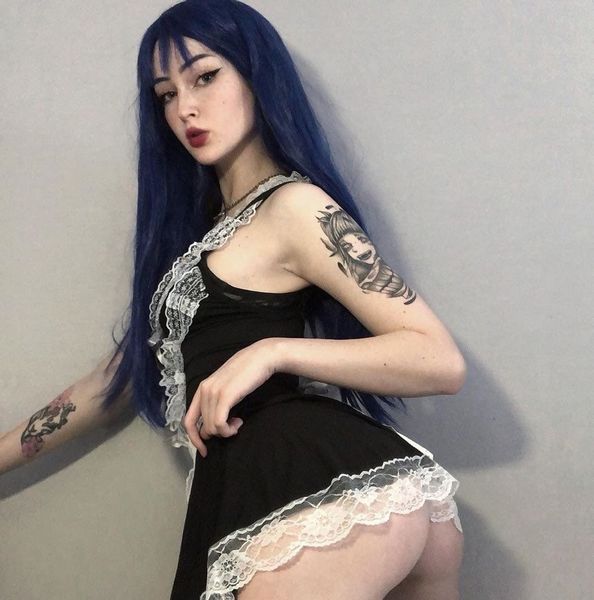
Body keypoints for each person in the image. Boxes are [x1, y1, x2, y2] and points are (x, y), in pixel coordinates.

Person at [0, 1, 466, 598]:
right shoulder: (204, 236)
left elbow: (439, 361)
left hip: (312, 490)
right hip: (343, 498)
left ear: (256, 74)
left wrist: (272, 352)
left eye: (205, 76)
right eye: (166, 95)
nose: (184, 109)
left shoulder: (294, 207)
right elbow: (112, 382)